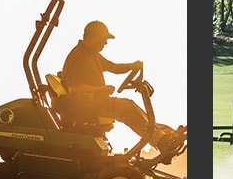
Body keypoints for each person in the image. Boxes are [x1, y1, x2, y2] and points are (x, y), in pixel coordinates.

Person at [61, 20, 185, 160]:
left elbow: (113, 67)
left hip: (97, 103)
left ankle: (167, 135)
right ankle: (162, 141)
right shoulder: (78, 57)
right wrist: (102, 89)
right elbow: (74, 88)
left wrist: (132, 66)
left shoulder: (92, 54)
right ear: (90, 38)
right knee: (126, 108)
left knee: (130, 106)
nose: (105, 43)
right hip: (87, 107)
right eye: (103, 40)